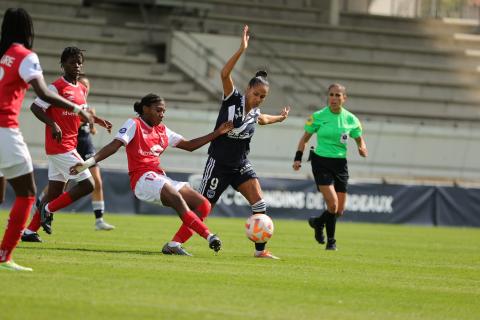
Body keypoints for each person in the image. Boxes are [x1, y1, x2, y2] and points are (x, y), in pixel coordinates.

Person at [70, 93, 234, 255]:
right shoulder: (134, 124)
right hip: (142, 179)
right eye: (158, 110)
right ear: (145, 109)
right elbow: (114, 146)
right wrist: (87, 164)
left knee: (203, 205)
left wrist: (217, 132)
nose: (162, 114)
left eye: (164, 111)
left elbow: (190, 145)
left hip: (159, 177)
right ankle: (209, 236)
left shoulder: (163, 130)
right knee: (174, 195)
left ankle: (174, 244)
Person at [0, 8, 92, 272]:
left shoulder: (3, 56)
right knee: (29, 195)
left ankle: (30, 230)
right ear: (28, 30)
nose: (77, 65)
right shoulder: (25, 56)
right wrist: (75, 110)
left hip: (62, 142)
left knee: (48, 189)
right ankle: (5, 255)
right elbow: (40, 95)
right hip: (6, 130)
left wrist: (88, 117)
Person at [188, 25, 290, 259]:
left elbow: (263, 119)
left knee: (259, 203)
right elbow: (224, 74)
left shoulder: (256, 112)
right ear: (248, 90)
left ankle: (260, 251)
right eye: (256, 94)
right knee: (202, 209)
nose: (259, 99)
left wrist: (281, 118)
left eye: (263, 97)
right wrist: (242, 49)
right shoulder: (232, 99)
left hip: (240, 164)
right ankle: (175, 243)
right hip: (219, 163)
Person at [21, 46, 111, 240]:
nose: (77, 66)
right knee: (88, 184)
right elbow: (35, 107)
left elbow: (81, 115)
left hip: (70, 144)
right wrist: (52, 124)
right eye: (72, 62)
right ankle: (48, 209)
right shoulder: (56, 87)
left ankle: (29, 232)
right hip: (60, 145)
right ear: (62, 65)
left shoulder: (82, 89)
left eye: (79, 62)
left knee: (54, 191)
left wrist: (99, 121)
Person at [292, 83, 368, 251]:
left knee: (339, 210)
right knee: (332, 204)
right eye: (331, 95)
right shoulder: (318, 116)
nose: (334, 98)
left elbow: (358, 138)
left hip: (340, 164)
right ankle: (331, 242)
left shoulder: (351, 119)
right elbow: (304, 139)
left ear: (344, 98)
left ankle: (317, 223)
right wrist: (298, 158)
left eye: (337, 95)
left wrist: (361, 147)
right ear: (328, 96)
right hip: (321, 162)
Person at [76, 75, 115, 231]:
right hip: (72, 145)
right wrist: (88, 119)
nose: (85, 88)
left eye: (87, 85)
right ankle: (40, 205)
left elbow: (90, 129)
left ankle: (99, 220)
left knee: (97, 182)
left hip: (87, 146)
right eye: (82, 85)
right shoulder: (72, 104)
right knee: (60, 185)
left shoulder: (88, 108)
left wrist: (92, 125)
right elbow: (72, 125)